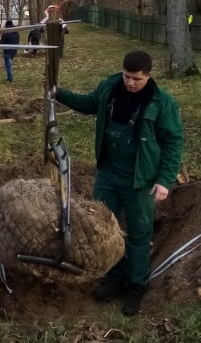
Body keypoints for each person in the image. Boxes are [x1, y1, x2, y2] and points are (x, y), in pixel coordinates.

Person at [56, 50, 183, 317]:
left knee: (138, 233)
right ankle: (114, 277)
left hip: (141, 180)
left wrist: (164, 180)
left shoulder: (161, 103)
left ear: (148, 75)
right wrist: (59, 93)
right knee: (103, 227)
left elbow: (173, 143)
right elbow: (89, 103)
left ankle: (135, 286)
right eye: (127, 76)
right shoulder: (110, 87)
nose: (130, 83)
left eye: (136, 78)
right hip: (108, 175)